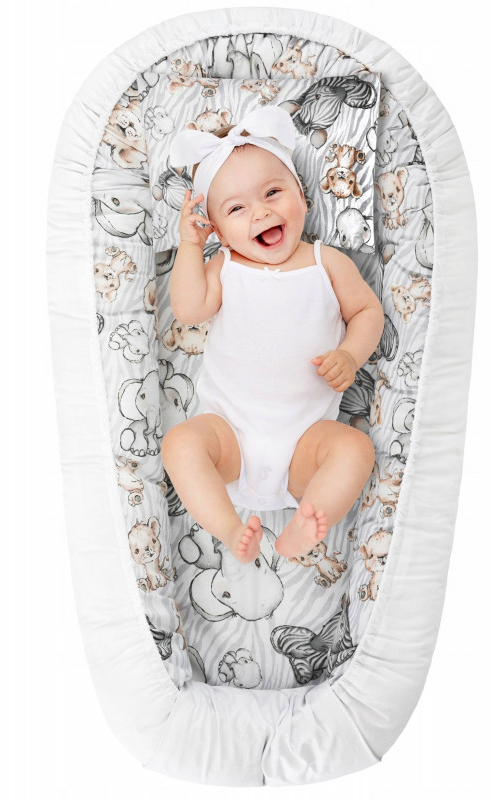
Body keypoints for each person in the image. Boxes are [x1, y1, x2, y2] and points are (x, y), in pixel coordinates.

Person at [160, 105, 384, 564]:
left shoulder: (327, 263)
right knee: (179, 444)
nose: (261, 212)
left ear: (301, 195)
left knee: (355, 447)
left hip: (306, 443)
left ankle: (309, 520)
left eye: (273, 192)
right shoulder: (225, 266)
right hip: (228, 436)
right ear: (218, 230)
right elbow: (187, 309)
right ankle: (229, 527)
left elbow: (367, 311)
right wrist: (190, 247)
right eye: (237, 208)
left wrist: (350, 354)